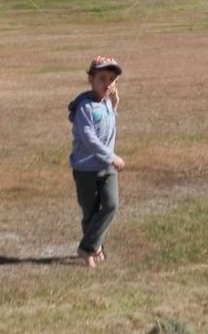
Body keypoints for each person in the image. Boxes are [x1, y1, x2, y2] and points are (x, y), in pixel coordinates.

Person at [68, 54, 125, 267]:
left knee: (111, 205)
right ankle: (93, 248)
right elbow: (89, 139)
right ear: (90, 79)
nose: (107, 83)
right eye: (102, 78)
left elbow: (107, 127)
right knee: (90, 212)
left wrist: (115, 105)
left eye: (111, 79)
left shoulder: (108, 102)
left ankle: (87, 247)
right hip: (86, 169)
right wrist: (111, 156)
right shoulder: (85, 107)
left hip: (105, 168)